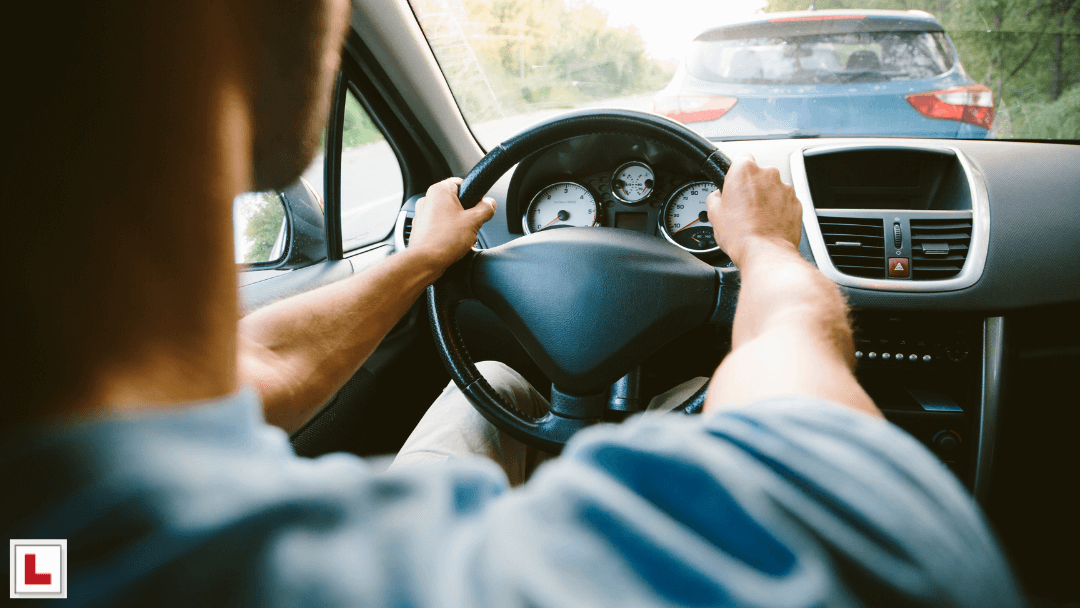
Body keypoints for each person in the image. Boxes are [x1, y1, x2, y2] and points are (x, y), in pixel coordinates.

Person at [3, 1, 1020, 606]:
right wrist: (761, 253)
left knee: (494, 377)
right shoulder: (749, 552)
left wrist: (420, 261)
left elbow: (257, 364)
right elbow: (813, 414)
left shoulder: (35, 552)